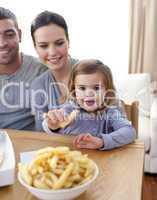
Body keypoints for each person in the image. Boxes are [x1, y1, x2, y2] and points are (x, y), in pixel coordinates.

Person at [42, 59, 136, 150]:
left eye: (96, 88)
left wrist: (102, 142)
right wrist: (52, 125)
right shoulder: (69, 109)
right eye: (82, 88)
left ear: (107, 91)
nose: (89, 93)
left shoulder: (110, 113)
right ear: (74, 90)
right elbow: (49, 126)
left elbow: (130, 132)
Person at [0, 7, 47, 130]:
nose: (2, 43)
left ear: (19, 35)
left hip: (30, 145)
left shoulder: (41, 70)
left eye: (9, 35)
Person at [30, 11, 78, 131]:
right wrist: (51, 126)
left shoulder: (93, 72)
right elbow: (41, 133)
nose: (52, 52)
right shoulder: (38, 85)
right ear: (35, 47)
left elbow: (118, 119)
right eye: (43, 46)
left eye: (59, 43)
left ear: (68, 41)